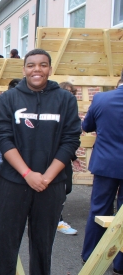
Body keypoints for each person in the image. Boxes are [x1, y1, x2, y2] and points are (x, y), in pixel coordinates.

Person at [0, 49, 81, 275]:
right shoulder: (9, 98)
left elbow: (71, 140)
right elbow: (3, 137)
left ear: (50, 69)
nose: (36, 70)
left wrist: (47, 178)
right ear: (24, 69)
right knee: (6, 240)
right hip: (15, 181)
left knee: (43, 241)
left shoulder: (65, 99)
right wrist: (28, 173)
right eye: (31, 65)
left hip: (51, 184)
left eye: (42, 65)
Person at [80, 75, 123, 275]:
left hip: (106, 163)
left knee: (99, 208)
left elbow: (87, 126)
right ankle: (120, 265)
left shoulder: (101, 99)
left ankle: (90, 256)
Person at [56, 81, 82, 235]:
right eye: (67, 93)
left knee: (66, 188)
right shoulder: (55, 110)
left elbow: (69, 138)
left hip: (64, 157)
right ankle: (57, 221)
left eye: (72, 93)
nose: (70, 96)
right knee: (58, 189)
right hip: (52, 157)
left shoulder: (70, 111)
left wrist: (73, 157)